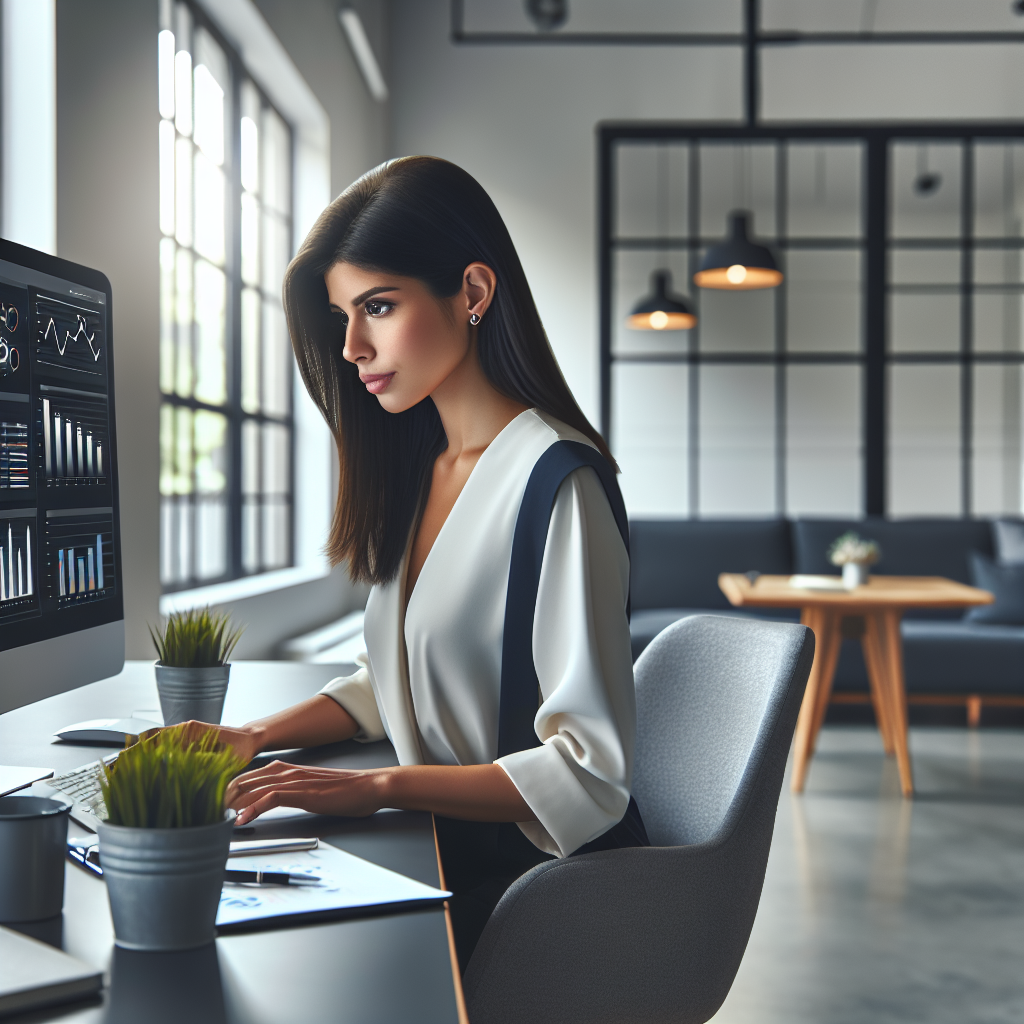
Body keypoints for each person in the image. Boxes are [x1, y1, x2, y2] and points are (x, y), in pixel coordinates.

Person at [209, 155, 648, 971]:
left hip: (538, 891)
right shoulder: (423, 468)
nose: (349, 345)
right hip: (446, 847)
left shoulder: (560, 484)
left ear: (474, 293)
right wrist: (253, 737)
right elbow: (400, 682)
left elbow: (588, 777)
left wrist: (373, 788)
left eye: (377, 306)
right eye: (343, 314)